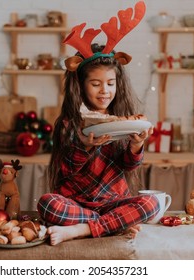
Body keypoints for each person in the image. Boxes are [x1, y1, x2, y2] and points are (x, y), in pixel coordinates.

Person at [37, 1, 160, 246]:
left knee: (152, 203)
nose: (105, 91)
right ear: (81, 85)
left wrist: (136, 146)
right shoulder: (68, 123)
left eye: (111, 83)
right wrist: (83, 147)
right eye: (96, 84)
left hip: (113, 200)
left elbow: (128, 165)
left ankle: (82, 230)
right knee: (48, 204)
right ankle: (113, 224)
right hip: (76, 203)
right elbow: (66, 171)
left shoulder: (124, 119)